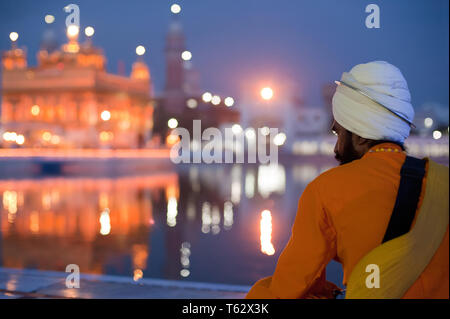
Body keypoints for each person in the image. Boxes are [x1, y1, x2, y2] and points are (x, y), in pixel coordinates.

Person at [246, 61, 449, 299]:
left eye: (338, 132)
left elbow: (288, 290)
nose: (335, 146)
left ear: (360, 136)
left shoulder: (327, 190)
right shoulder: (442, 182)